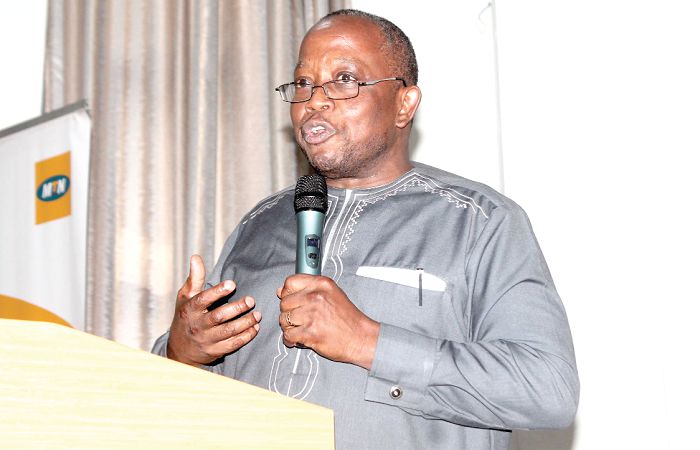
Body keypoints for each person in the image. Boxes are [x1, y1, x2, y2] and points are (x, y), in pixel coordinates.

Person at [152, 9, 579, 449]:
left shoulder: (478, 222)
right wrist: (180, 354)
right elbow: (175, 401)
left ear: (404, 104)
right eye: (302, 84)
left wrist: (367, 341)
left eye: (344, 79)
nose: (314, 101)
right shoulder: (257, 225)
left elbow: (547, 389)